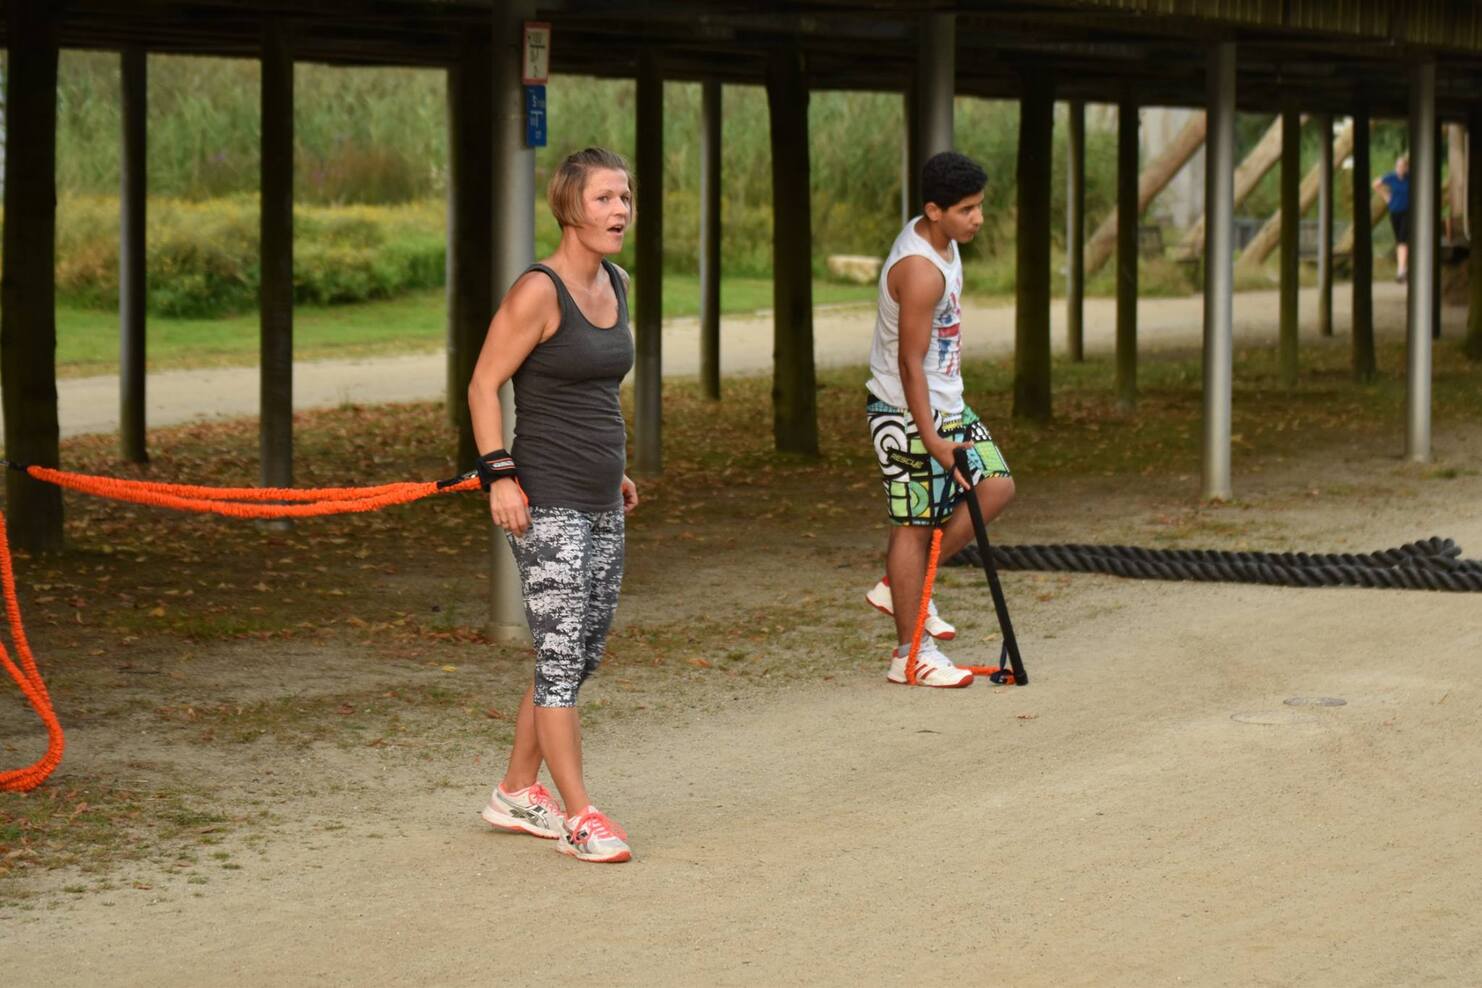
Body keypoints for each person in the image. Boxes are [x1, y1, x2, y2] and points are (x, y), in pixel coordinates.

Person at [467, 147, 639, 863]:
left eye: (625, 197)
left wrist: (617, 471)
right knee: (562, 656)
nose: (621, 210)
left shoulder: (618, 283)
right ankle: (580, 815)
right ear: (570, 207)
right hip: (547, 501)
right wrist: (500, 475)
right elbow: (483, 385)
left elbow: (597, 389)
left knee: (579, 653)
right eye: (604, 199)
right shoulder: (538, 290)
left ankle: (514, 791)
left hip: (602, 497)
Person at [863, 151, 1015, 688]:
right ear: (934, 210)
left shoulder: (944, 243)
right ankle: (911, 655)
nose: (978, 218)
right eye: (967, 209)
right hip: (905, 413)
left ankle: (898, 587)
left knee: (996, 486)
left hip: (949, 402)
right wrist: (931, 440)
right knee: (914, 522)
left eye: (980, 207)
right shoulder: (919, 271)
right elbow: (908, 362)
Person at [1373, 154, 1410, 282]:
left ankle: (1400, 270)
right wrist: (1386, 196)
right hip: (1394, 211)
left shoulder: (1410, 178)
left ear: (1406, 168)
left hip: (1408, 212)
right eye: (1398, 166)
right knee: (1400, 241)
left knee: (1402, 240)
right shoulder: (1391, 177)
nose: (1400, 168)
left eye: (1402, 166)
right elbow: (1376, 184)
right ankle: (1404, 268)